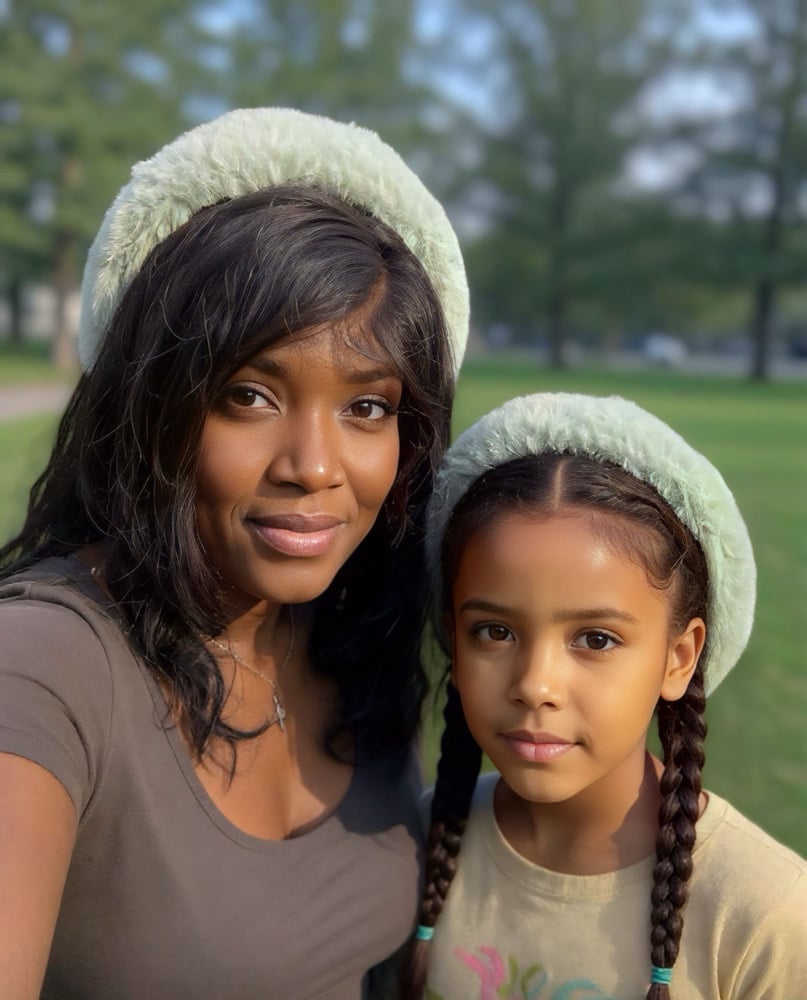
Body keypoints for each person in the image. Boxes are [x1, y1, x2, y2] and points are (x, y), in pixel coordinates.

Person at [0, 107, 469, 999]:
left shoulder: (352, 638)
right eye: (250, 395)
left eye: (366, 408)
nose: (314, 467)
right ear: (152, 407)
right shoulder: (42, 665)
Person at [406, 392, 807, 1000]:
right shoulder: (415, 845)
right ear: (453, 641)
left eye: (595, 638)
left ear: (679, 657)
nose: (535, 685)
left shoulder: (764, 915)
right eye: (495, 631)